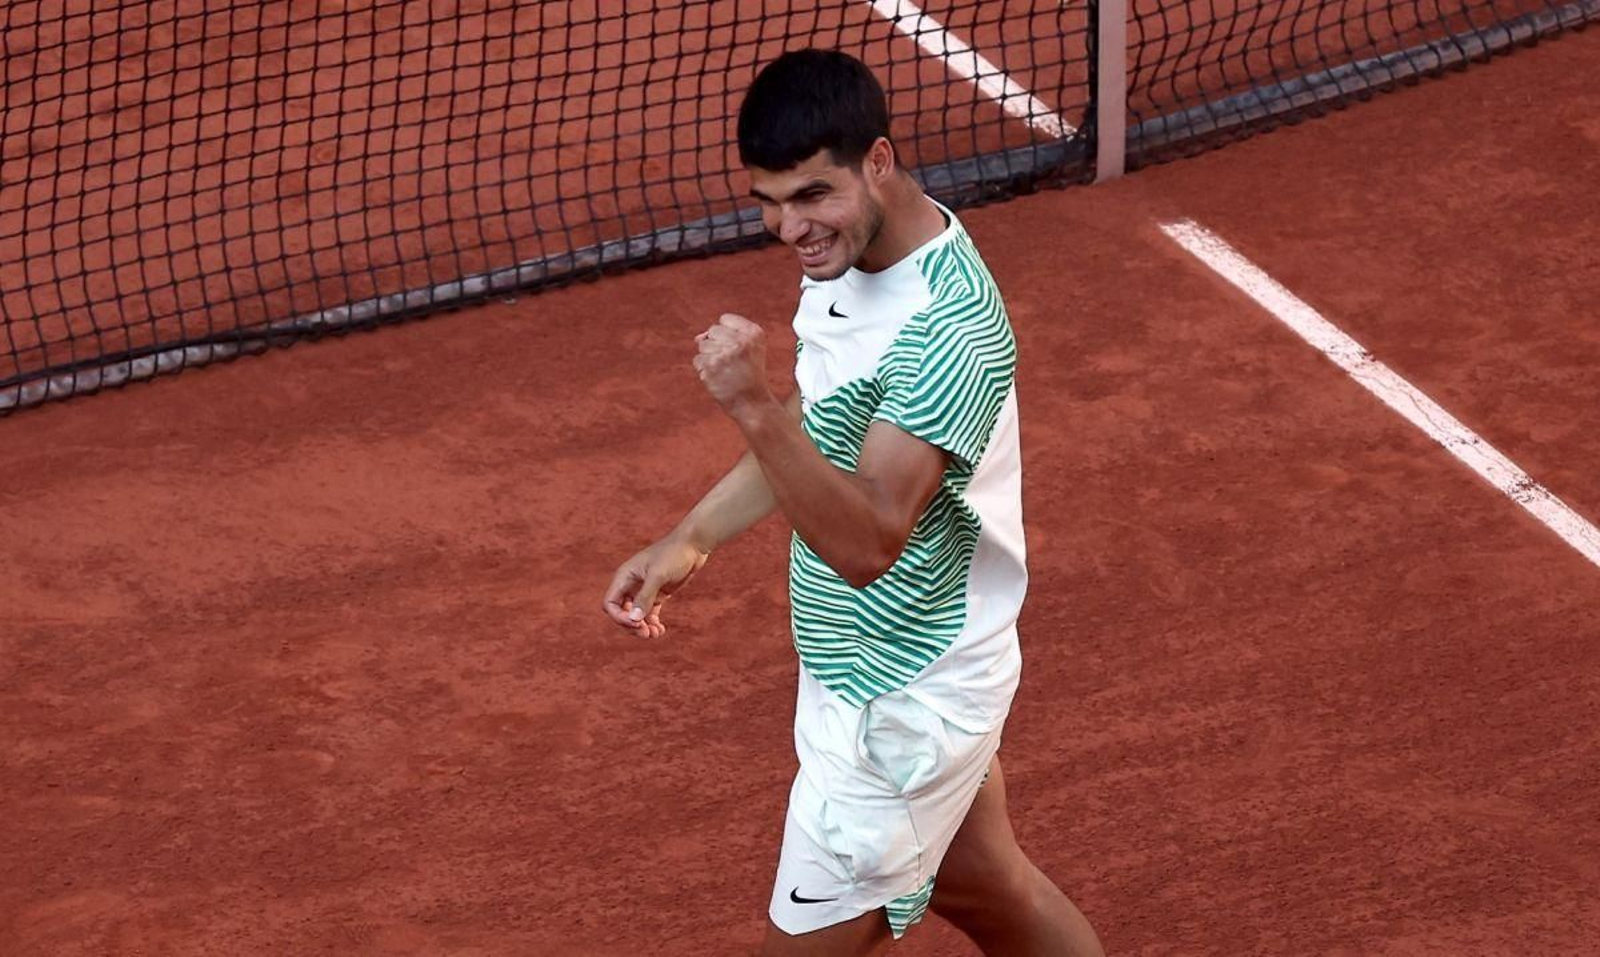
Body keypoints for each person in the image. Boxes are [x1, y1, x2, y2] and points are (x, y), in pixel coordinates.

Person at [602, 49, 1105, 956]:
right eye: (769, 199)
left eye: (811, 196)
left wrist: (750, 403)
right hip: (871, 671)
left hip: (904, 703)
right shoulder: (857, 254)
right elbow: (828, 419)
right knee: (992, 892)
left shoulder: (947, 330)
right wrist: (692, 535)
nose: (788, 227)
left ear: (878, 159)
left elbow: (870, 537)